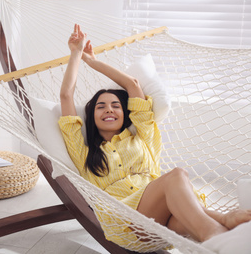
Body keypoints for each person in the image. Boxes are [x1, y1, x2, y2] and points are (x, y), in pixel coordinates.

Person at [58, 24, 251, 244]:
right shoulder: (85, 152)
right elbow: (66, 95)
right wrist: (76, 54)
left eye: (116, 105)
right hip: (126, 223)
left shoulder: (142, 137)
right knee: (177, 175)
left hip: (160, 221)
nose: (109, 109)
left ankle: (224, 233)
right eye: (101, 107)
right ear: (92, 116)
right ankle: (219, 227)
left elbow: (132, 84)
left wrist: (94, 61)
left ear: (125, 114)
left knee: (182, 218)